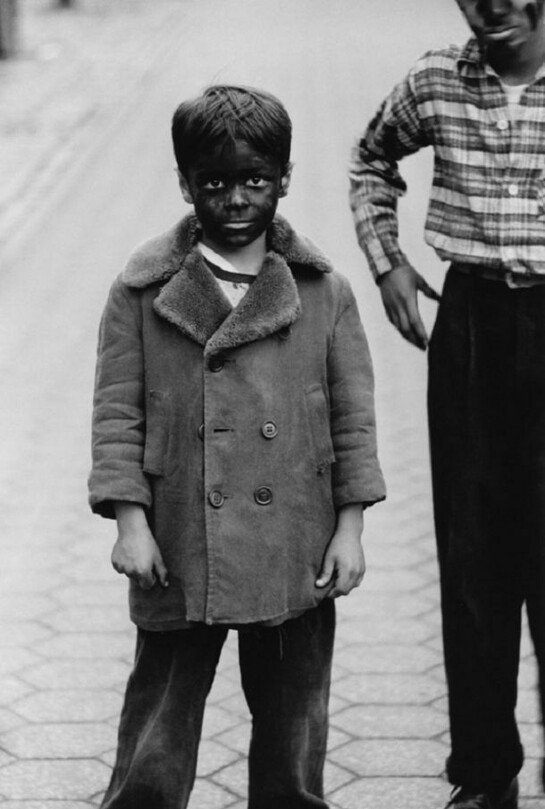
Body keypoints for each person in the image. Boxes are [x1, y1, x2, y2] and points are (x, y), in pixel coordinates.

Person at [89, 84, 385, 809]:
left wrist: (349, 528)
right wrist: (130, 521)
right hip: (180, 537)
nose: (235, 198)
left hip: (294, 539)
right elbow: (117, 413)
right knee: (159, 718)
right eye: (213, 182)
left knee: (293, 720)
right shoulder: (141, 290)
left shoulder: (322, 290)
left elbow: (352, 421)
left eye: (254, 179)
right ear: (185, 182)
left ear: (284, 177)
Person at [349, 1, 545, 808]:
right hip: (471, 331)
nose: (493, 6)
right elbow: (370, 159)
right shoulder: (435, 79)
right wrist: (388, 261)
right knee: (473, 558)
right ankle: (484, 770)